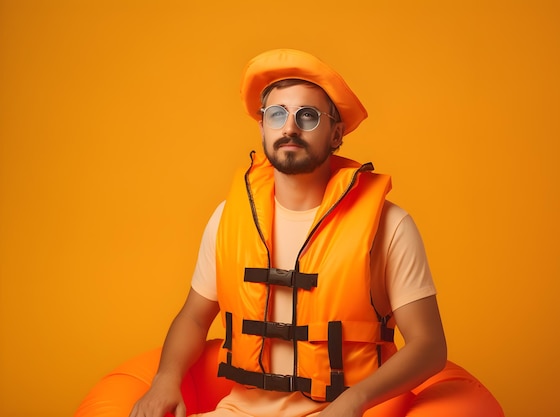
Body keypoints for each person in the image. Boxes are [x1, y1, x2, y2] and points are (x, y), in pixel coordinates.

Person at [128, 49, 497, 417]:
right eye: (276, 115)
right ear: (262, 128)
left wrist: (354, 401)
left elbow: (429, 346)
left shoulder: (389, 226)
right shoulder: (229, 218)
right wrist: (165, 379)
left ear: (336, 134)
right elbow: (194, 317)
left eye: (307, 116)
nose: (289, 128)